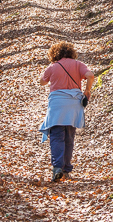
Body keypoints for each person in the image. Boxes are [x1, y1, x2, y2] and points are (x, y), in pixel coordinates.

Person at [38, 41, 95, 183]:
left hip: (57, 105)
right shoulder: (78, 64)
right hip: (74, 104)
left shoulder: (53, 66)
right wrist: (87, 91)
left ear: (54, 54)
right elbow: (90, 75)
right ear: (71, 52)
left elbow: (42, 82)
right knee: (69, 137)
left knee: (57, 136)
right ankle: (66, 170)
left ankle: (57, 168)